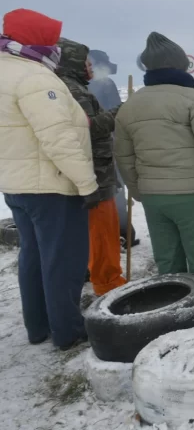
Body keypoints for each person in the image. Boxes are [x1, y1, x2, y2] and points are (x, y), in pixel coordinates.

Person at [114, 32, 194, 317]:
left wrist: (139, 191)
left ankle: (171, 322)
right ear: (181, 67)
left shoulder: (130, 106)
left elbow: (124, 157)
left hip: (155, 199)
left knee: (168, 265)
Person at [0, 8, 98, 350]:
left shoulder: (5, 71)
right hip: (51, 185)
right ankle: (69, 331)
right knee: (63, 260)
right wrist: (85, 183)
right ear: (38, 40)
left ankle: (38, 326)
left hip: (17, 184)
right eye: (51, 39)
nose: (56, 46)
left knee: (33, 256)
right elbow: (57, 137)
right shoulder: (35, 78)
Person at [56, 38, 126, 296]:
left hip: (88, 171)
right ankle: (109, 284)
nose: (91, 67)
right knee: (102, 231)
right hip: (95, 172)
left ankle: (98, 272)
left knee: (93, 231)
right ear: (74, 62)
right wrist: (119, 112)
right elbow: (92, 129)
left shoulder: (66, 86)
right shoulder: (74, 91)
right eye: (87, 62)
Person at [88, 49, 140, 248]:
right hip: (107, 146)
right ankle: (124, 234)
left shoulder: (77, 85)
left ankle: (121, 234)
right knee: (116, 191)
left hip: (91, 148)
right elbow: (116, 114)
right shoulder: (105, 84)